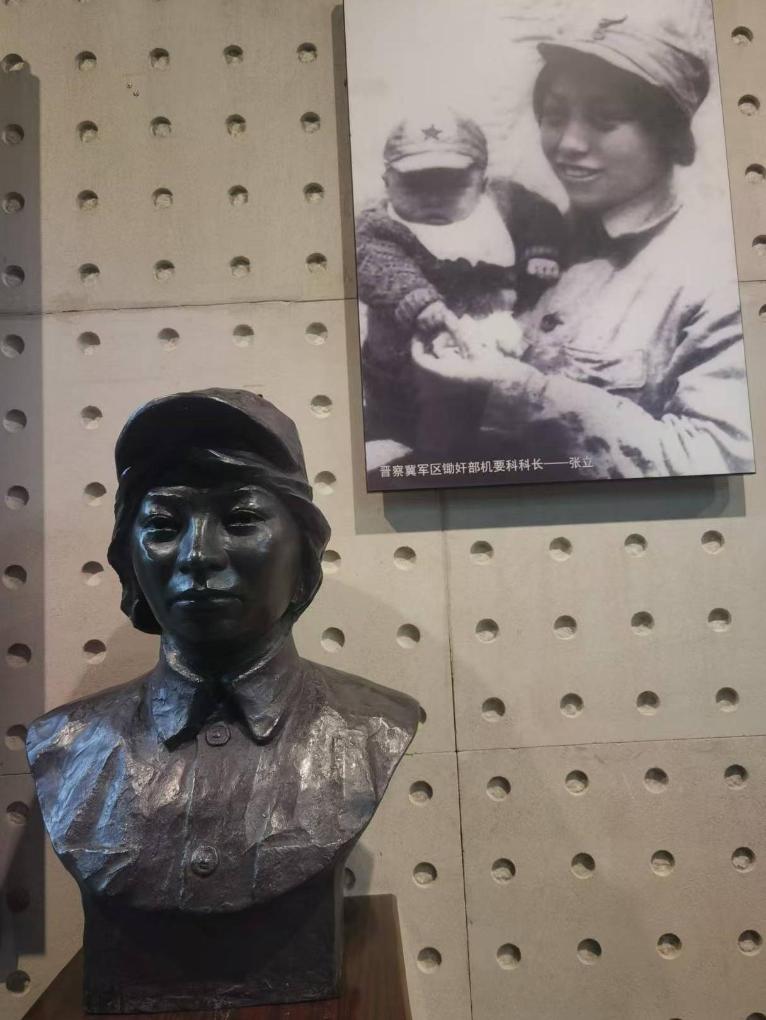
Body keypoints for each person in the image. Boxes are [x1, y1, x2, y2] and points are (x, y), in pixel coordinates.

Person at [26, 389, 420, 1012]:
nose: (198, 555)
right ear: (128, 558)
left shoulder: (372, 727)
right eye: (163, 526)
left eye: (240, 520)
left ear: (304, 550)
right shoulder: (65, 744)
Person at [411, 14, 755, 480]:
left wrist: (528, 393)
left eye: (605, 120)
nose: (568, 143)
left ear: (670, 134)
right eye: (554, 116)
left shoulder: (718, 278)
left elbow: (719, 459)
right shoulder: (513, 235)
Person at [357, 109, 564, 461]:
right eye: (414, 185)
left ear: (483, 183)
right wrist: (419, 301)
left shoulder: (504, 203)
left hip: (488, 342)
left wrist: (540, 251)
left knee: (489, 423)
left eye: (453, 185)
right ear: (387, 183)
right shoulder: (378, 226)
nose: (433, 199)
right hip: (401, 364)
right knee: (402, 432)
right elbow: (377, 263)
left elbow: (540, 214)